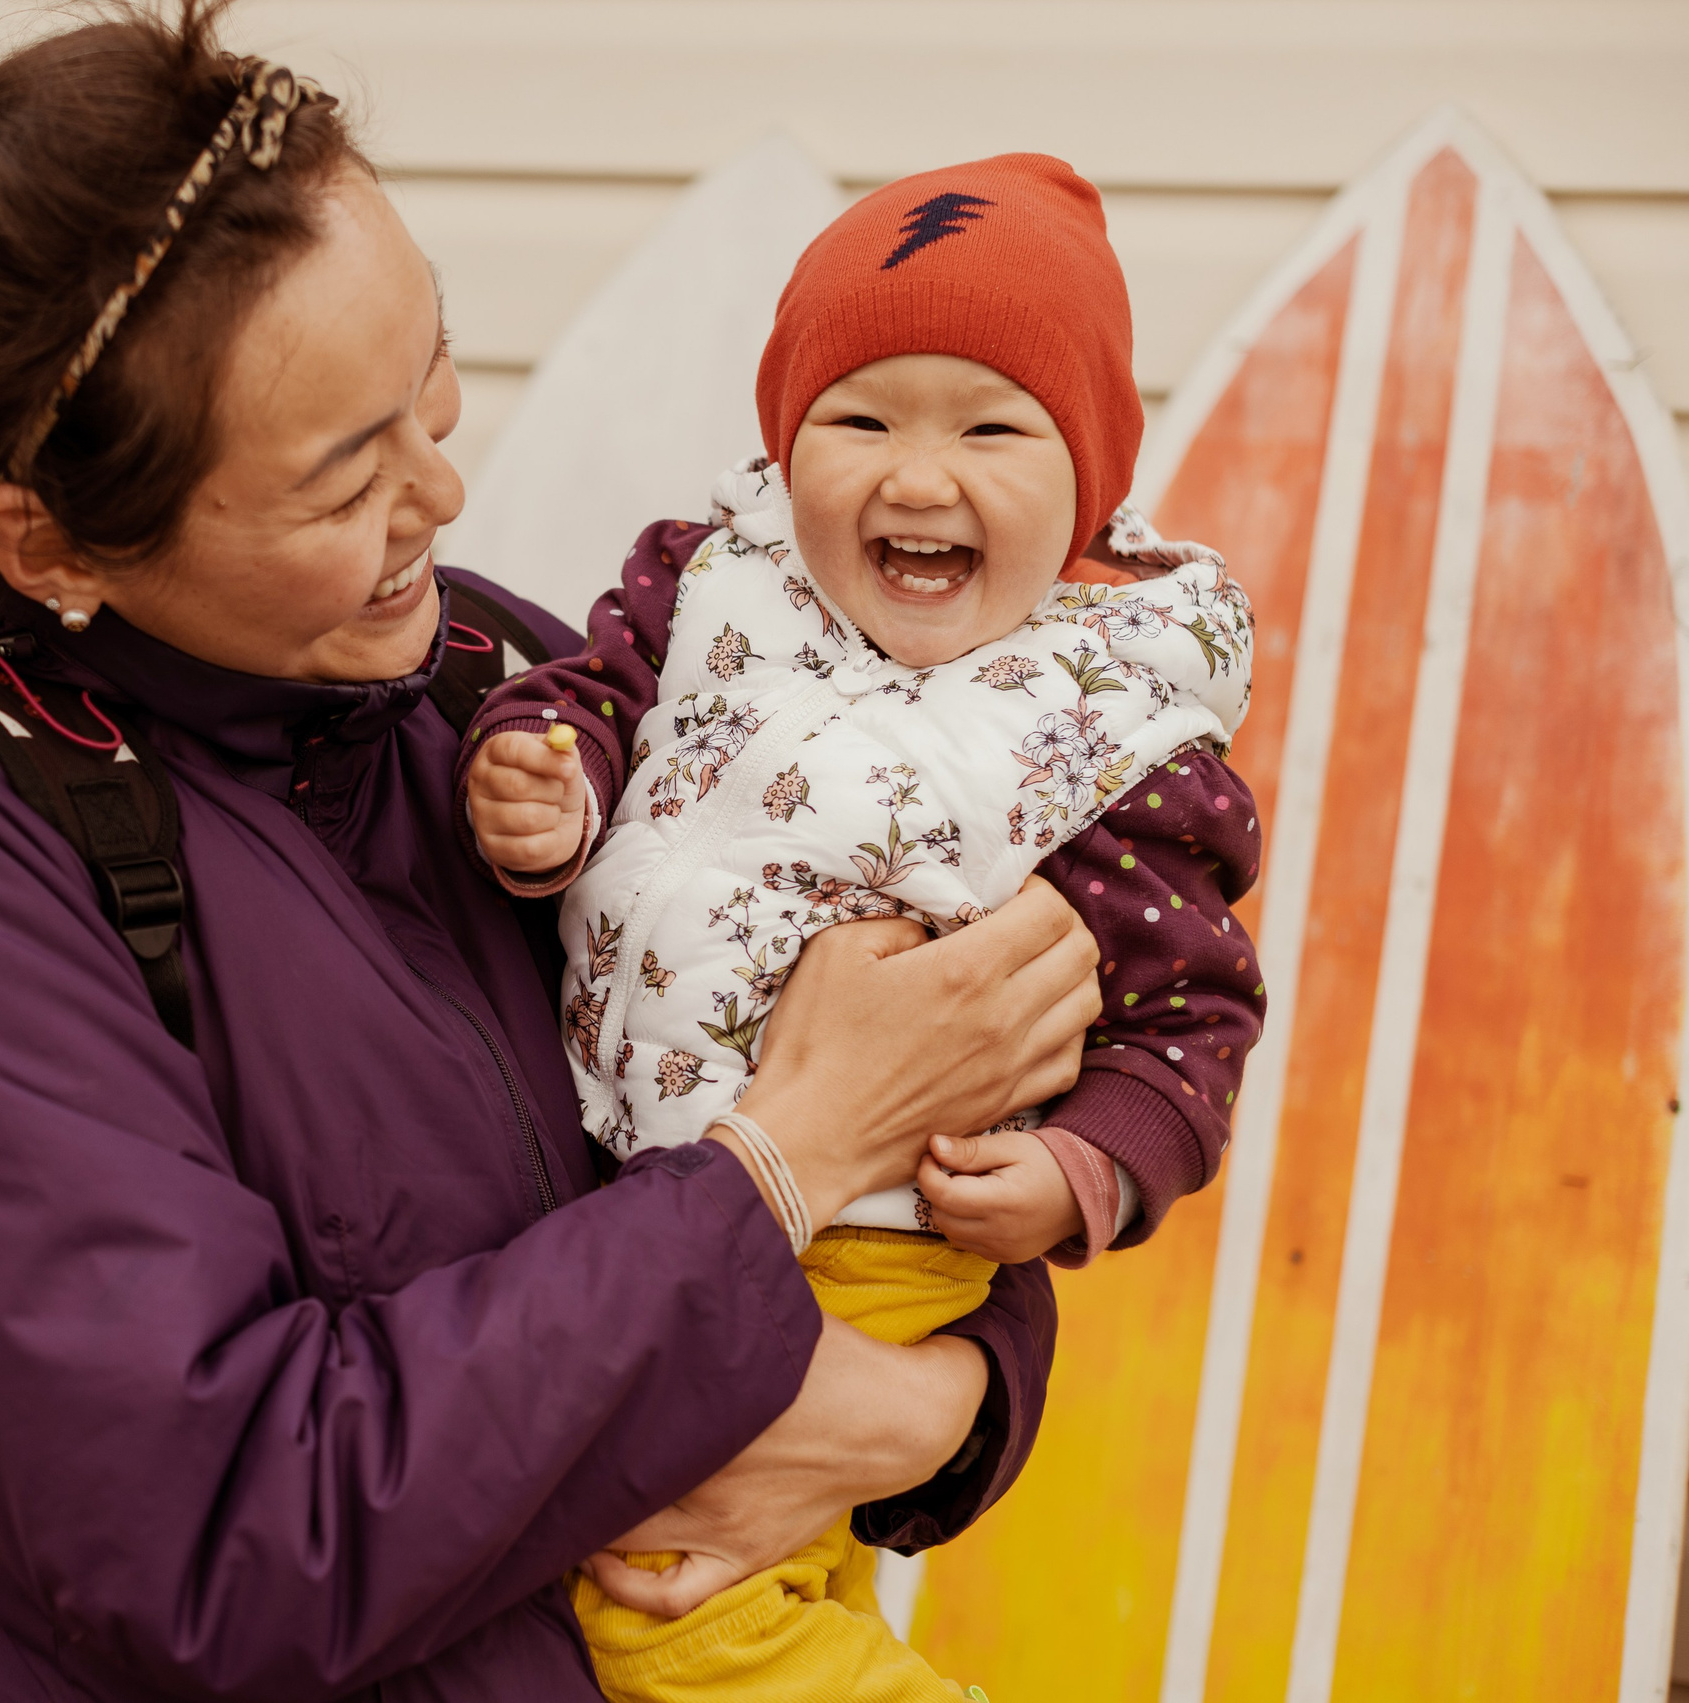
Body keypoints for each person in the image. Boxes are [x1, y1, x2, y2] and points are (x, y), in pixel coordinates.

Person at [0, 5, 1105, 1696]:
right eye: (339, 483)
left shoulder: (488, 684)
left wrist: (942, 1404)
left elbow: (906, 1208)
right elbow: (212, 1542)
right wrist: (790, 1154)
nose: (443, 494)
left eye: (429, 382)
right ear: (57, 539)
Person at [459, 156, 1267, 1700]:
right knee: (782, 1570)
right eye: (861, 418)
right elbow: (592, 710)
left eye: (990, 427)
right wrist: (540, 785)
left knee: (662, 1602)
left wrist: (1079, 1166)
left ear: (1090, 480)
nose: (915, 474)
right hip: (651, 1184)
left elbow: (1195, 1014)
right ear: (782, 444)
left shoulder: (1112, 726)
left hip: (883, 1241)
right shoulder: (711, 591)